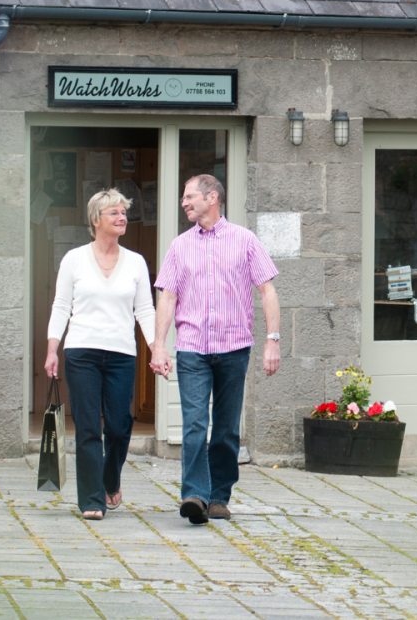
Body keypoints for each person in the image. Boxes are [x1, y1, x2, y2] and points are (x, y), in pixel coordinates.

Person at [150, 174, 280, 524]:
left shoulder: (245, 240)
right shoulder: (180, 245)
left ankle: (219, 495)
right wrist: (159, 346)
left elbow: (267, 290)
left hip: (234, 349)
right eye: (183, 198)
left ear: (212, 197)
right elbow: (169, 296)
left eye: (189, 196)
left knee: (225, 429)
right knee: (194, 424)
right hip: (192, 348)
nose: (184, 203)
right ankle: (194, 494)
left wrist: (273, 340)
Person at [45, 188, 157, 521]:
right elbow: (61, 306)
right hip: (82, 353)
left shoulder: (136, 262)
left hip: (122, 355)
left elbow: (146, 310)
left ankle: (110, 479)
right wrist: (53, 348)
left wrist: (157, 348)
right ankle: (92, 499)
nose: (122, 217)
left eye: (124, 212)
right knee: (89, 427)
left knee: (121, 427)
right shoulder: (74, 259)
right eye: (114, 212)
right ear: (96, 219)